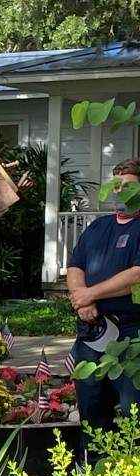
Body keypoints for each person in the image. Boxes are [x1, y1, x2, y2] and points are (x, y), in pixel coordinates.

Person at [67, 158, 140, 448]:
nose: (121, 191)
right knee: (91, 405)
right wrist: (81, 300)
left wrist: (91, 294)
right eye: (116, 185)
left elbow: (136, 275)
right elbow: (76, 265)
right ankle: (93, 471)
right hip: (92, 331)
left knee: (132, 408)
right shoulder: (97, 227)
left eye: (130, 186)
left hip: (132, 335)